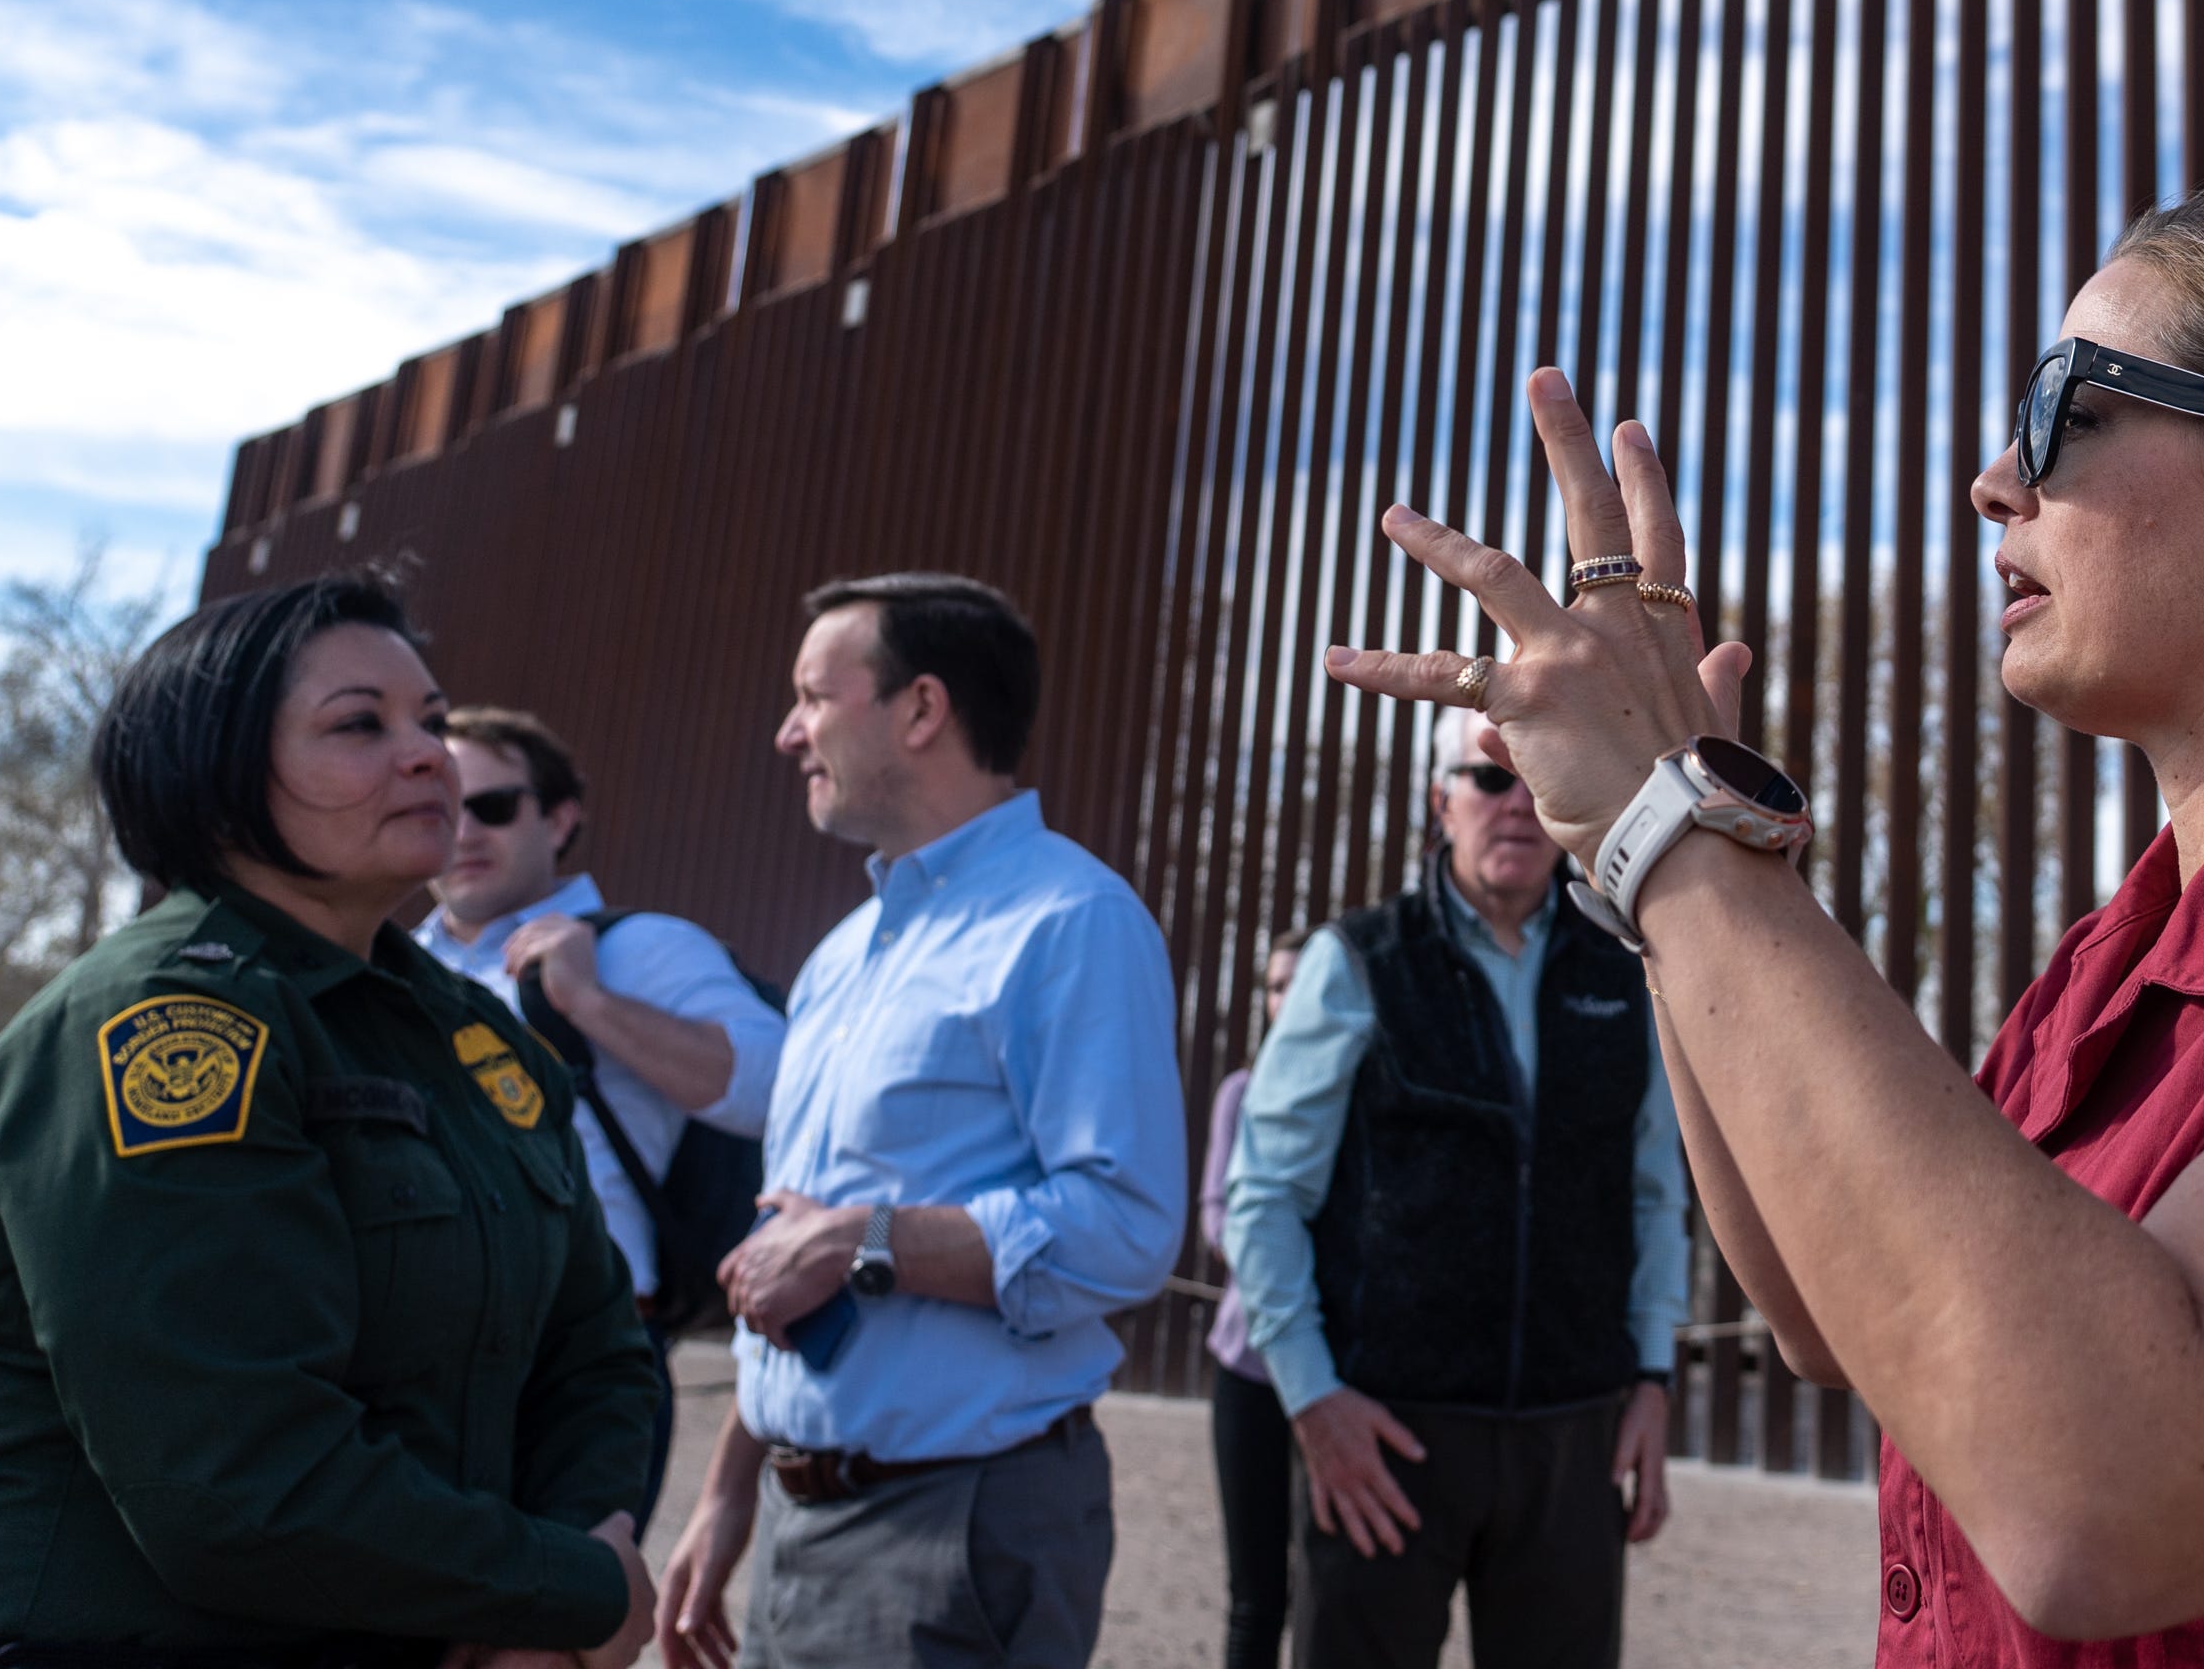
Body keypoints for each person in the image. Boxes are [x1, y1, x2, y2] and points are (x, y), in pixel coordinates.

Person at [1324, 186, 2204, 1664]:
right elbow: (1828, 1308)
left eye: (2064, 406)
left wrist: (1688, 844)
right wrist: (1653, 862)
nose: (1998, 481)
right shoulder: (2108, 967)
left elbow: (2104, 1486)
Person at [0, 571, 662, 1667]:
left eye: (430, 720)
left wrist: (560, 1580)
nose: (433, 753)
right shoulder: (163, 1023)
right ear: (222, 771)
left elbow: (600, 1352)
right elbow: (231, 1475)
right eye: (359, 725)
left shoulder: (477, 1039)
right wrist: (558, 1595)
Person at [656, 573, 1184, 1669]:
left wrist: (866, 1240)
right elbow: (784, 1248)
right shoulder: (840, 956)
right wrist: (730, 1489)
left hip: (959, 1530)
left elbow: (1126, 1231)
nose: (786, 731)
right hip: (799, 1525)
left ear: (922, 709)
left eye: (812, 694)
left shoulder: (1071, 922)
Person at [1224, 709, 1687, 1669]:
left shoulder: (1627, 967)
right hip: (1384, 1436)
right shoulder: (1358, 962)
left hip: (1574, 1433)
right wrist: (1311, 1400)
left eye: (1531, 781)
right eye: (1485, 781)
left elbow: (1652, 1192)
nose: (1512, 803)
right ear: (1442, 802)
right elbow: (1264, 1195)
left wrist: (1650, 1380)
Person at [417, 704, 788, 1523]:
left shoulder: (639, 947)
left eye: (495, 806)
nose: (465, 831)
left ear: (559, 817)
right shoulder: (387, 964)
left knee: (550, 1642)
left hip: (574, 1366)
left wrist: (586, 1001)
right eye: (445, 804)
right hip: (411, 1364)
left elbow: (784, 1093)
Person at [1196, 928, 1312, 1669]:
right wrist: (1273, 1264)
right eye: (1275, 984)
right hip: (1249, 1368)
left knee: (1335, 1590)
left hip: (1342, 1373)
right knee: (1255, 1595)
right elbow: (1214, 1210)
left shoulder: (1371, 1083)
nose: (1288, 997)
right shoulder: (1240, 1092)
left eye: (1302, 979)